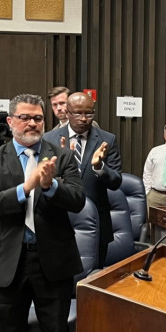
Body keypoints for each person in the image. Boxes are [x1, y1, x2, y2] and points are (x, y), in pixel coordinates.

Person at [0, 93, 85, 332]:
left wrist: (50, 186)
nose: (32, 123)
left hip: (53, 263)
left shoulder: (61, 157)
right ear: (11, 121)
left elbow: (77, 200)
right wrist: (28, 186)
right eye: (25, 117)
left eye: (37, 117)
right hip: (8, 264)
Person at [44, 92, 122, 269]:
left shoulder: (107, 139)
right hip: (58, 220)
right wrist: (60, 171)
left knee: (92, 279)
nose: (84, 119)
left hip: (96, 222)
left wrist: (99, 167)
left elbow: (116, 181)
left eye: (89, 113)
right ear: (67, 113)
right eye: (78, 113)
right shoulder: (49, 139)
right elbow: (41, 181)